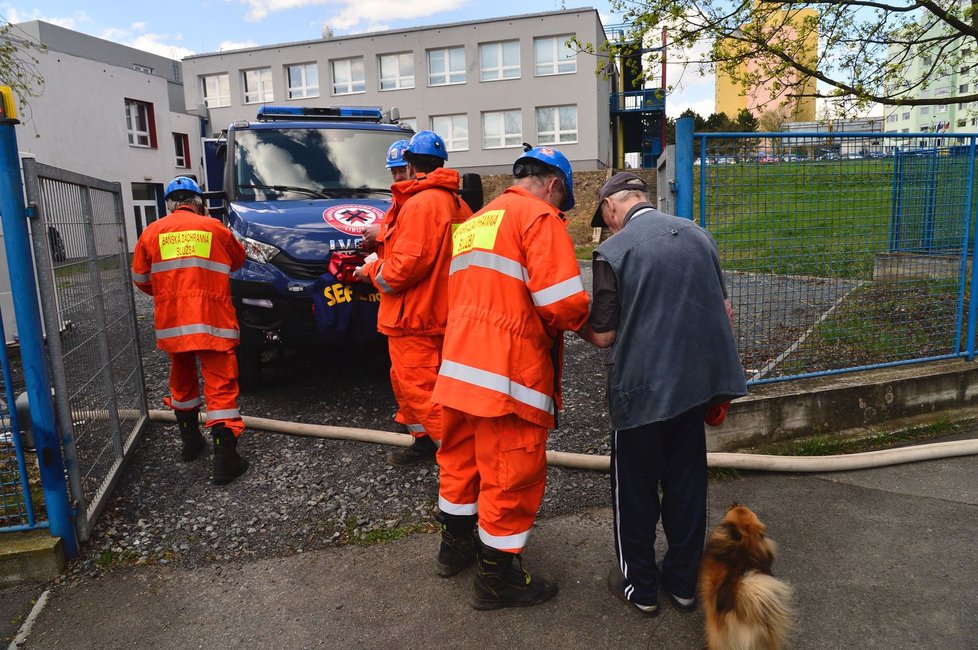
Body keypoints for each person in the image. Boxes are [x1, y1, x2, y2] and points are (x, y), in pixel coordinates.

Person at [577, 172, 747, 617]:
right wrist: (719, 388)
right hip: (694, 391)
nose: (609, 225)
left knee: (633, 494)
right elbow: (724, 311)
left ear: (612, 207)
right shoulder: (698, 234)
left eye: (606, 217)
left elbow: (604, 334)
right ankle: (683, 585)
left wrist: (566, 318)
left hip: (641, 395)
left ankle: (641, 589)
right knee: (686, 489)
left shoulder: (613, 251)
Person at [431, 146, 590, 609]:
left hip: (459, 368)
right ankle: (496, 580)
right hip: (506, 374)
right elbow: (561, 304)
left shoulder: (478, 221)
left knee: (460, 462)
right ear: (555, 185)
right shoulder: (539, 218)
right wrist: (598, 324)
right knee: (509, 475)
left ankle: (454, 549)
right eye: (561, 202)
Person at [353, 130, 472, 466]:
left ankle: (460, 465)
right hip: (438, 310)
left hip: (415, 316)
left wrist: (372, 271)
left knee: (421, 389)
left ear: (410, 162)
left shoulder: (422, 203)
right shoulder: (457, 203)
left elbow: (404, 268)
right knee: (408, 385)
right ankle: (424, 441)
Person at [131, 176, 250, 485]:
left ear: (169, 204)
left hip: (173, 322)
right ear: (199, 203)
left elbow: (141, 278)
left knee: (181, 381)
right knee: (220, 385)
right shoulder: (215, 229)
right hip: (213, 321)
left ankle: (190, 443)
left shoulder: (151, 232)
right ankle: (225, 459)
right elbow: (238, 261)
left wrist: (169, 294)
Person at [361, 139, 411, 251]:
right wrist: (370, 240)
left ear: (412, 168)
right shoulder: (397, 202)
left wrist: (379, 234)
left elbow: (411, 242)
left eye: (402, 170)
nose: (398, 177)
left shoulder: (418, 201)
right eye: (394, 172)